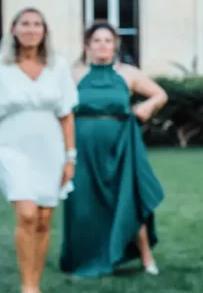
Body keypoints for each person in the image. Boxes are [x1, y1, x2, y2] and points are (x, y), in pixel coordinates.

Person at [0, 8, 77, 293]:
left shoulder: (57, 67)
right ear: (14, 29)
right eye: (25, 24)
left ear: (44, 31)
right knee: (27, 213)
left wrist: (70, 156)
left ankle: (36, 283)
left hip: (50, 148)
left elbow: (66, 116)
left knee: (45, 218)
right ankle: (26, 287)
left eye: (37, 24)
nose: (31, 29)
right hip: (11, 148)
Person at [60, 22, 166, 277]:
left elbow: (160, 94)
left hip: (121, 146)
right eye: (97, 40)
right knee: (83, 204)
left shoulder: (128, 73)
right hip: (82, 148)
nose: (102, 45)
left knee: (128, 197)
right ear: (87, 45)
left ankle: (146, 258)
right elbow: (59, 107)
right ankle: (85, 256)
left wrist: (147, 108)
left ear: (116, 44)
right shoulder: (73, 74)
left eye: (108, 40)